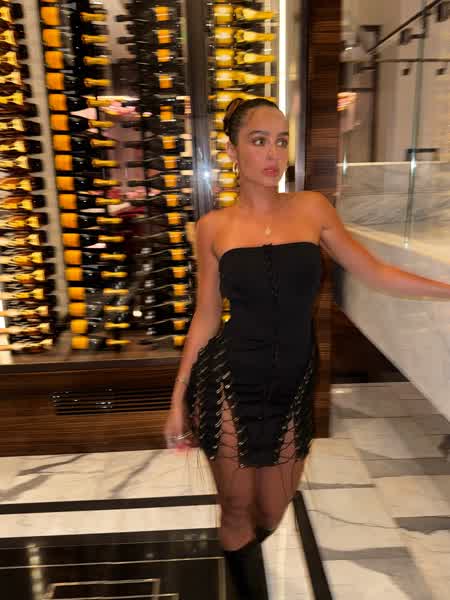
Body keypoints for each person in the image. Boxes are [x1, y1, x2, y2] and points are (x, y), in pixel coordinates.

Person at [164, 97, 450, 599]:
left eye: (280, 141)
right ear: (232, 151)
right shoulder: (213, 227)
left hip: (295, 382)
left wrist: (447, 289)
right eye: (259, 141)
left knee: (272, 510)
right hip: (229, 379)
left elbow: (375, 272)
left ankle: (245, 556)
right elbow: (206, 316)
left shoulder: (312, 208)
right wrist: (177, 398)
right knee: (236, 511)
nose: (273, 154)